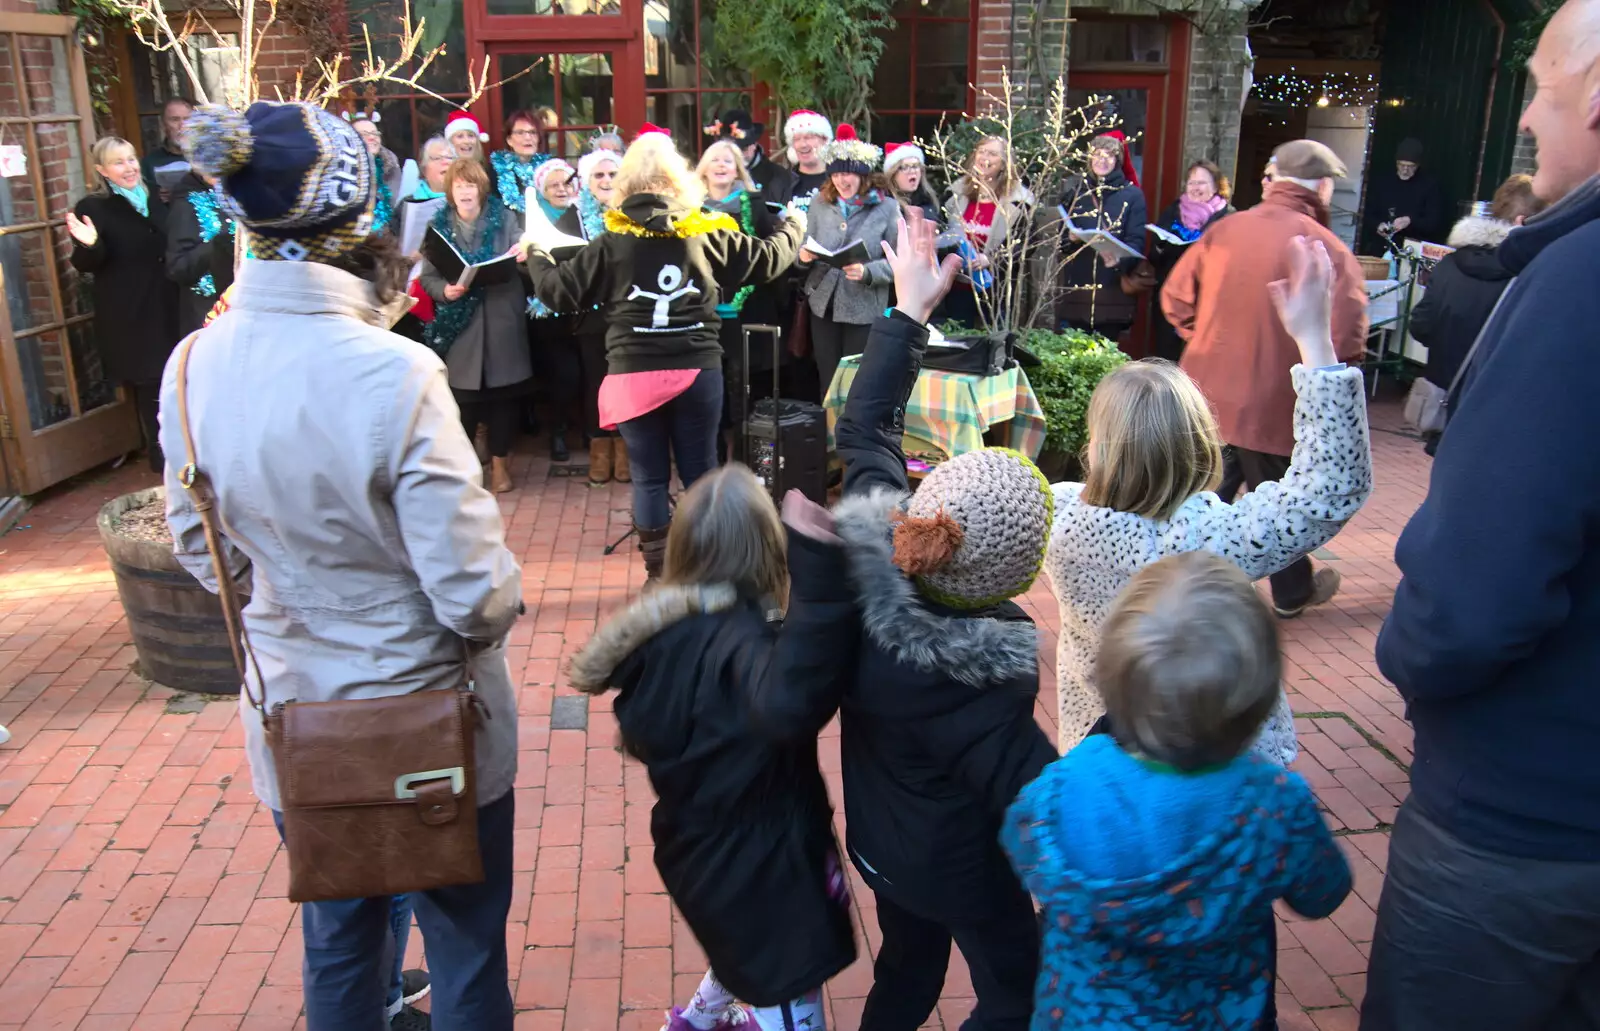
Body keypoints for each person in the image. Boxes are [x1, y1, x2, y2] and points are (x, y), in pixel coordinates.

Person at [172, 99, 523, 1031]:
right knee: (466, 949)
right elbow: (474, 595)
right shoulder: (392, 372)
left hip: (296, 715)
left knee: (338, 941)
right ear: (359, 216)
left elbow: (197, 547)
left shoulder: (190, 365)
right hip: (428, 719)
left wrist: (289, 606)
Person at [1363, 3, 1600, 1025]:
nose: (1529, 125)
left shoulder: (1579, 285)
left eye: (1541, 93)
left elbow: (1473, 598)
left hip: (1525, 821)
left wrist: (1411, 659)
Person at [776, 208, 1058, 1031]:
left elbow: (867, 425)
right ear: (1011, 577)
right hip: (966, 874)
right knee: (1020, 987)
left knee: (907, 968)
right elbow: (1052, 801)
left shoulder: (874, 542)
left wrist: (908, 311)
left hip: (879, 849)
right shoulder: (989, 675)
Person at [1046, 234, 1372, 756]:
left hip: (1101, 753)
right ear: (1199, 441)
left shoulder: (1058, 515)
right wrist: (1315, 342)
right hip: (1219, 763)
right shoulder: (1212, 538)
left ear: (1098, 442)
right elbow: (1329, 488)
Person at [1004, 551, 1353, 1031]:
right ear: (1256, 693)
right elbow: (1323, 893)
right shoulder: (1272, 803)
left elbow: (1023, 847)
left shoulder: (1063, 786)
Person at [567, 463, 857, 1031]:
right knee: (786, 981)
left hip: (703, 853)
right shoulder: (744, 644)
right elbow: (789, 702)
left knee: (741, 943)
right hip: (765, 868)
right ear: (764, 548)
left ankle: (698, 1020)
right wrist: (822, 574)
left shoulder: (665, 635)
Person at [523, 129, 804, 580]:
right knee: (700, 476)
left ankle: (658, 574)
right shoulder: (706, 233)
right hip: (697, 369)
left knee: (650, 478)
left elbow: (557, 291)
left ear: (627, 182)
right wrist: (794, 225)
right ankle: (708, 571)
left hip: (634, 374)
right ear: (680, 179)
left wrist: (537, 251)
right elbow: (769, 259)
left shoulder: (611, 244)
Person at [1162, 140, 1369, 618]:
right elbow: (1348, 340)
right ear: (1321, 184)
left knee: (1204, 489)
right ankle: (1289, 591)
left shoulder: (1224, 229)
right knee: (1278, 498)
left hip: (1207, 389)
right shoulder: (1327, 248)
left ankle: (1179, 583)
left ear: (1273, 179)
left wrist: (1208, 340)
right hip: (1276, 400)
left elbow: (1175, 299)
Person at [418, 157, 534, 494]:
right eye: (459, 185)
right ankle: (469, 466)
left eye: (471, 185)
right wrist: (445, 291)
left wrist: (524, 250)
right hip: (462, 324)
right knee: (464, 401)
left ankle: (500, 465)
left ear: (481, 189)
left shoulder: (504, 217)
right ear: (451, 192)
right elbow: (429, 278)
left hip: (500, 317)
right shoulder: (438, 226)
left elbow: (522, 246)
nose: (465, 191)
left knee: (502, 399)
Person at [1407, 173, 1545, 453]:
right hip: (1494, 415)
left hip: (1443, 406)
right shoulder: (1530, 275)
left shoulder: (1449, 265)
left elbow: (1421, 325)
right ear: (1522, 222)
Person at [68, 136, 179, 473]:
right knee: (151, 381)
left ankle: (188, 451)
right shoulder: (94, 207)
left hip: (170, 301)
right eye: (118, 162)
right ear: (102, 170)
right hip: (131, 309)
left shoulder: (160, 199)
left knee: (179, 373)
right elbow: (87, 264)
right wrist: (90, 245)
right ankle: (162, 461)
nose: (129, 168)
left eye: (131, 159)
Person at [699, 139, 785, 463]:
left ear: (738, 169)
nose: (721, 165)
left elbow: (768, 257)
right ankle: (714, 462)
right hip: (705, 315)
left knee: (744, 393)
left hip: (747, 309)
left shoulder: (753, 203)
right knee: (710, 393)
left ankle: (746, 465)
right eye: (715, 160)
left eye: (729, 161)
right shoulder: (689, 207)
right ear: (704, 168)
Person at [798, 126, 898, 398]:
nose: (843, 180)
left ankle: (854, 439)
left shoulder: (887, 208)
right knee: (828, 382)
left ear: (863, 174)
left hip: (863, 308)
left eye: (849, 173)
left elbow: (898, 262)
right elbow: (805, 242)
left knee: (858, 383)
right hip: (823, 305)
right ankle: (830, 438)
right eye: (837, 174)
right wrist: (803, 256)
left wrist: (868, 272)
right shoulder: (820, 202)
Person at [556, 149, 628, 485]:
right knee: (596, 383)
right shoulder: (574, 217)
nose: (606, 181)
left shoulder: (632, 213)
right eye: (598, 176)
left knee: (627, 382)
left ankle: (626, 448)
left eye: (612, 174)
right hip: (591, 315)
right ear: (587, 182)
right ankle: (599, 448)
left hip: (629, 312)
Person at [1056, 133, 1148, 341]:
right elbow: (1060, 244)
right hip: (1077, 292)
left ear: (1118, 161)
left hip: (1112, 293)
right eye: (1097, 154)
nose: (1102, 160)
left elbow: (1137, 241)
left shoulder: (1132, 195)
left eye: (1109, 155)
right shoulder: (1077, 193)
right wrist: (1071, 239)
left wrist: (1119, 259)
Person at [941, 135, 1034, 328]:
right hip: (956, 284)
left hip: (995, 289)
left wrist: (991, 259)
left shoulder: (1020, 201)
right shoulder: (955, 192)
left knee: (994, 343)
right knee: (957, 339)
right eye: (981, 152)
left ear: (1004, 163)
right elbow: (942, 233)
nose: (984, 158)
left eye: (992, 154)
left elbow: (1025, 243)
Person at [1147, 159, 1233, 361]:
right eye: (1191, 182)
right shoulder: (1173, 211)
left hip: (1206, 301)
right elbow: (1154, 256)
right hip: (1171, 298)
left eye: (1202, 183)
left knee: (1197, 360)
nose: (1195, 188)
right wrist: (1161, 246)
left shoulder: (1228, 217)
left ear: (1216, 186)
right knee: (1167, 358)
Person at [527, 158, 583, 463]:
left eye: (566, 183)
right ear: (542, 191)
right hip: (550, 309)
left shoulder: (584, 214)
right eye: (553, 185)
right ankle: (558, 432)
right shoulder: (535, 219)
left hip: (583, 306)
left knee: (587, 372)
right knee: (564, 374)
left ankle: (591, 431)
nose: (561, 189)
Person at [166, 169, 236, 339]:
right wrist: (216, 245)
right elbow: (177, 267)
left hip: (241, 306)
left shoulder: (238, 196)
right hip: (207, 313)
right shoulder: (185, 203)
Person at [1361, 137, 1446, 254]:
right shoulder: (1383, 181)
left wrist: (1410, 221)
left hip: (1411, 248)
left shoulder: (1429, 186)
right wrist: (1378, 225)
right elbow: (1368, 213)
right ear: (1396, 163)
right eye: (1401, 165)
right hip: (1381, 246)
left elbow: (1434, 222)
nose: (1405, 170)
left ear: (1418, 165)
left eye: (1410, 166)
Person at [708, 107, 797, 204]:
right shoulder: (713, 175)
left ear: (754, 144)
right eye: (730, 149)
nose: (737, 155)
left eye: (742, 149)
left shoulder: (777, 176)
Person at [490, 108, 552, 214]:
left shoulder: (550, 169)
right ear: (509, 140)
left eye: (533, 132)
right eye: (520, 133)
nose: (528, 137)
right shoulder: (494, 171)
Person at [350, 114, 403, 228]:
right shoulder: (345, 172)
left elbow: (399, 208)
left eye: (375, 133)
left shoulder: (391, 168)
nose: (372, 137)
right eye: (364, 134)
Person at [142, 96, 194, 202]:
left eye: (187, 119)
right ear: (163, 125)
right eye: (175, 119)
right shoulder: (149, 162)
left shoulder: (208, 158)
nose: (182, 126)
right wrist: (155, 197)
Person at [782, 109, 833, 211]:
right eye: (797, 139)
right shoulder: (782, 182)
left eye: (808, 137)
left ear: (824, 140)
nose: (803, 145)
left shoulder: (837, 181)